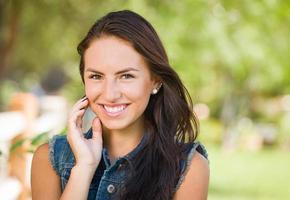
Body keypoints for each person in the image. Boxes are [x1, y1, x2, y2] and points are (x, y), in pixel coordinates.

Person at [31, 10, 209, 200]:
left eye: (126, 76)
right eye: (96, 76)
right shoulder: (49, 160)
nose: (110, 94)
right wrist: (83, 168)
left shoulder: (187, 168)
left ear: (156, 81)